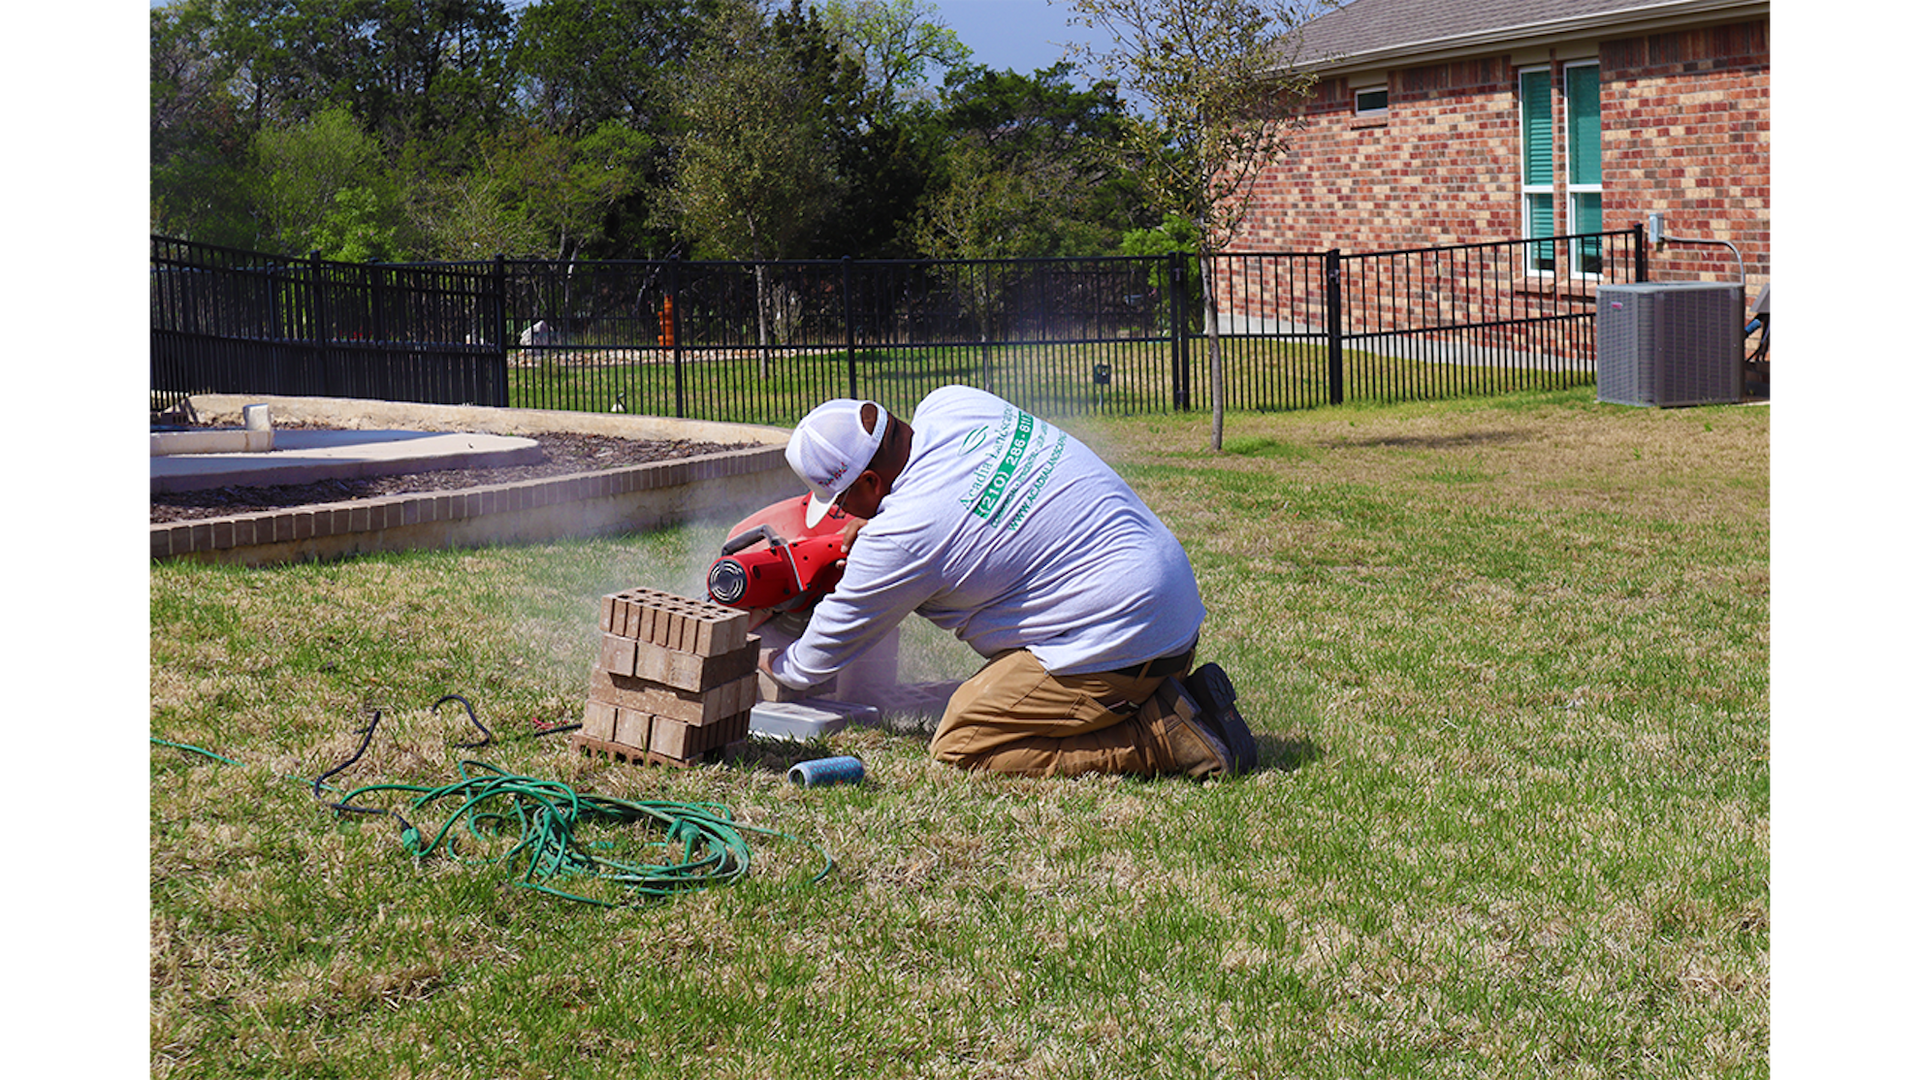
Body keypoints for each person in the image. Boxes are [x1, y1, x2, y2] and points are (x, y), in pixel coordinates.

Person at [758, 384, 1256, 779]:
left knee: (962, 739)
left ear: (870, 483)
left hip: (1125, 643)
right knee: (983, 696)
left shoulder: (906, 535)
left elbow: (814, 661)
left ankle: (1165, 737)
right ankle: (1149, 696)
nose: (841, 513)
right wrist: (884, 529)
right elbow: (963, 507)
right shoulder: (955, 405)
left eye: (843, 500)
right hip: (1170, 611)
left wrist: (769, 662)